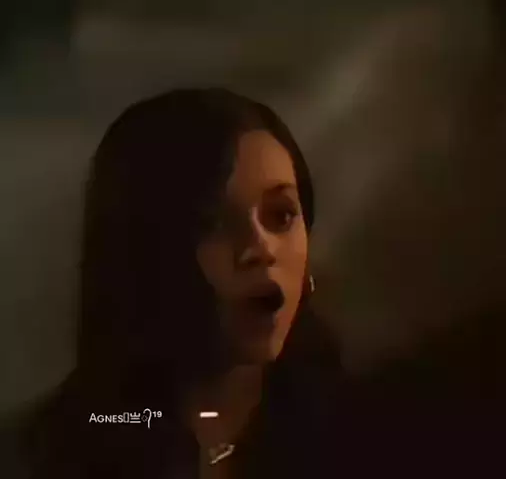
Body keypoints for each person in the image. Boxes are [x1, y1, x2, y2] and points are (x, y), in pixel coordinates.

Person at [27, 88, 343, 479]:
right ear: (140, 252)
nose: (260, 249)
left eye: (281, 216)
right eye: (213, 222)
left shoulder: (363, 431)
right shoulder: (47, 454)